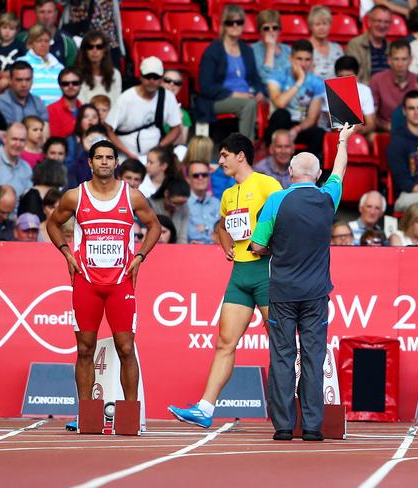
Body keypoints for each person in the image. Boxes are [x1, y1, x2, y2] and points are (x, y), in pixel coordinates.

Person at [249, 123, 355, 441]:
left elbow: (256, 246)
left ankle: (283, 426)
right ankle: (311, 426)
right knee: (313, 357)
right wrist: (343, 141)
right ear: (318, 173)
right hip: (316, 292)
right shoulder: (328, 199)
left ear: (291, 172)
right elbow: (341, 170)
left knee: (282, 356)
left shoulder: (276, 201)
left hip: (282, 290)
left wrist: (274, 246)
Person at [168, 133, 282, 428]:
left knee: (281, 344)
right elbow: (223, 224)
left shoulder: (267, 184)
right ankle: (205, 408)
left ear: (240, 156)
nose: (219, 162)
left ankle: (296, 407)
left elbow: (286, 219)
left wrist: (271, 245)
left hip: (267, 270)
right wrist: (223, 240)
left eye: (224, 156)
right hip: (241, 274)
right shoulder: (229, 194)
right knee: (224, 343)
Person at [46, 139, 160, 432]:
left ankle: (130, 416)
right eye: (100, 157)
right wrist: (67, 253)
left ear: (116, 162)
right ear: (90, 162)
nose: (105, 162)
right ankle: (88, 415)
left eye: (110, 157)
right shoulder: (76, 196)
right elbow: (53, 223)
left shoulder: (132, 196)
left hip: (120, 283)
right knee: (85, 349)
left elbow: (155, 226)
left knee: (126, 347)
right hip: (87, 282)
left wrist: (140, 256)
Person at [196, 5, 265, 140]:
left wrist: (260, 92)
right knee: (248, 105)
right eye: (230, 22)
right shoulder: (213, 50)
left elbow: (256, 78)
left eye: (239, 22)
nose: (234, 26)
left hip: (247, 95)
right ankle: (245, 151)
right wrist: (236, 94)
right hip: (219, 99)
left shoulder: (247, 50)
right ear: (223, 25)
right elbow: (206, 86)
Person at [106, 57, 182, 160]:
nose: (151, 81)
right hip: (125, 157)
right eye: (147, 76)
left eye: (155, 77)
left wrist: (159, 148)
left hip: (154, 158)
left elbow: (176, 128)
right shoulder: (126, 98)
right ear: (140, 76)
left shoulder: (167, 97)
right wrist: (127, 153)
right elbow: (108, 128)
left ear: (161, 79)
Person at [265, 40, 326, 156]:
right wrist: (299, 81)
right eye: (299, 59)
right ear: (291, 59)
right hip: (279, 124)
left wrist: (297, 129)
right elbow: (280, 103)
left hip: (299, 126)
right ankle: (272, 162)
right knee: (282, 114)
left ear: (312, 61)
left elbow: (312, 118)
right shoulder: (277, 75)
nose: (303, 64)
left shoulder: (317, 83)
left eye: (307, 59)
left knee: (319, 133)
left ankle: (304, 168)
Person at [370, 39, 417, 132]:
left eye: (404, 59)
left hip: (413, 130)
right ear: (389, 60)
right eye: (396, 59)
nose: (400, 64)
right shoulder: (377, 80)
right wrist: (385, 127)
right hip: (384, 131)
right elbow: (371, 115)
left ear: (410, 60)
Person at [18, 24, 64, 106]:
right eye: (39, 41)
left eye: (46, 41)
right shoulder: (21, 63)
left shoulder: (59, 66)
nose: (43, 44)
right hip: (32, 111)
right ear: (31, 43)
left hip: (57, 112)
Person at [345, 5, 392, 84]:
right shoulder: (355, 45)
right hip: (365, 93)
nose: (382, 25)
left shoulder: (392, 47)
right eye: (378, 21)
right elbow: (352, 78)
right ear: (369, 22)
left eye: (386, 22)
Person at [75, 30, 122, 106]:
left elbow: (116, 103)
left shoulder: (115, 74)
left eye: (99, 47)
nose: (94, 50)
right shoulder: (77, 75)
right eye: (90, 47)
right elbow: (80, 103)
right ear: (85, 51)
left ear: (104, 50)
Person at [0, 12, 27, 94]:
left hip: (20, 79)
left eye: (11, 29)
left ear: (17, 31)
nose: (7, 31)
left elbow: (27, 62)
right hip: (1, 83)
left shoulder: (20, 46)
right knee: (3, 82)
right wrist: (0, 74)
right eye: (4, 28)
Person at [0, 60, 48, 127]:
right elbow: (10, 131)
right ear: (10, 81)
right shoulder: (1, 102)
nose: (24, 84)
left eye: (28, 79)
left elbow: (45, 128)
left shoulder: (38, 101)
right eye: (19, 80)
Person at [0, 122, 32, 204]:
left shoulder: (26, 168)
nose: (18, 144)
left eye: (22, 140)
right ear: (4, 139)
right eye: (14, 139)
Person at [251, 9, 291, 86]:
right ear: (260, 31)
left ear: (279, 30)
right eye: (266, 28)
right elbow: (266, 79)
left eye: (275, 28)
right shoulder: (253, 50)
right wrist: (270, 49)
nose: (271, 31)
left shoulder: (288, 50)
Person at [187, 160, 220, 244]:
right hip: (192, 251)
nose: (200, 178)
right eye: (196, 175)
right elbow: (188, 233)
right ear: (188, 179)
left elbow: (224, 231)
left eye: (204, 175)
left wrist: (205, 228)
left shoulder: (217, 203)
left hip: (216, 251)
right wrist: (213, 231)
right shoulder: (184, 204)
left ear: (209, 177)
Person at [149, 177, 191, 245]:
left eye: (182, 204)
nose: (178, 208)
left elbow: (182, 237)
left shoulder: (185, 208)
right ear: (166, 193)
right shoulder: (150, 205)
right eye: (175, 203)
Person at [307, 6, 344, 80]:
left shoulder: (337, 48)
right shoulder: (305, 48)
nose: (321, 28)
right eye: (317, 24)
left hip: (337, 89)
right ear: (311, 26)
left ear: (330, 25)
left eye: (325, 24)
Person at [48, 68, 83, 139]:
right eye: (65, 84)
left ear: (80, 85)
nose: (70, 86)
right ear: (60, 86)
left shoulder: (85, 109)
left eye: (75, 83)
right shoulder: (51, 110)